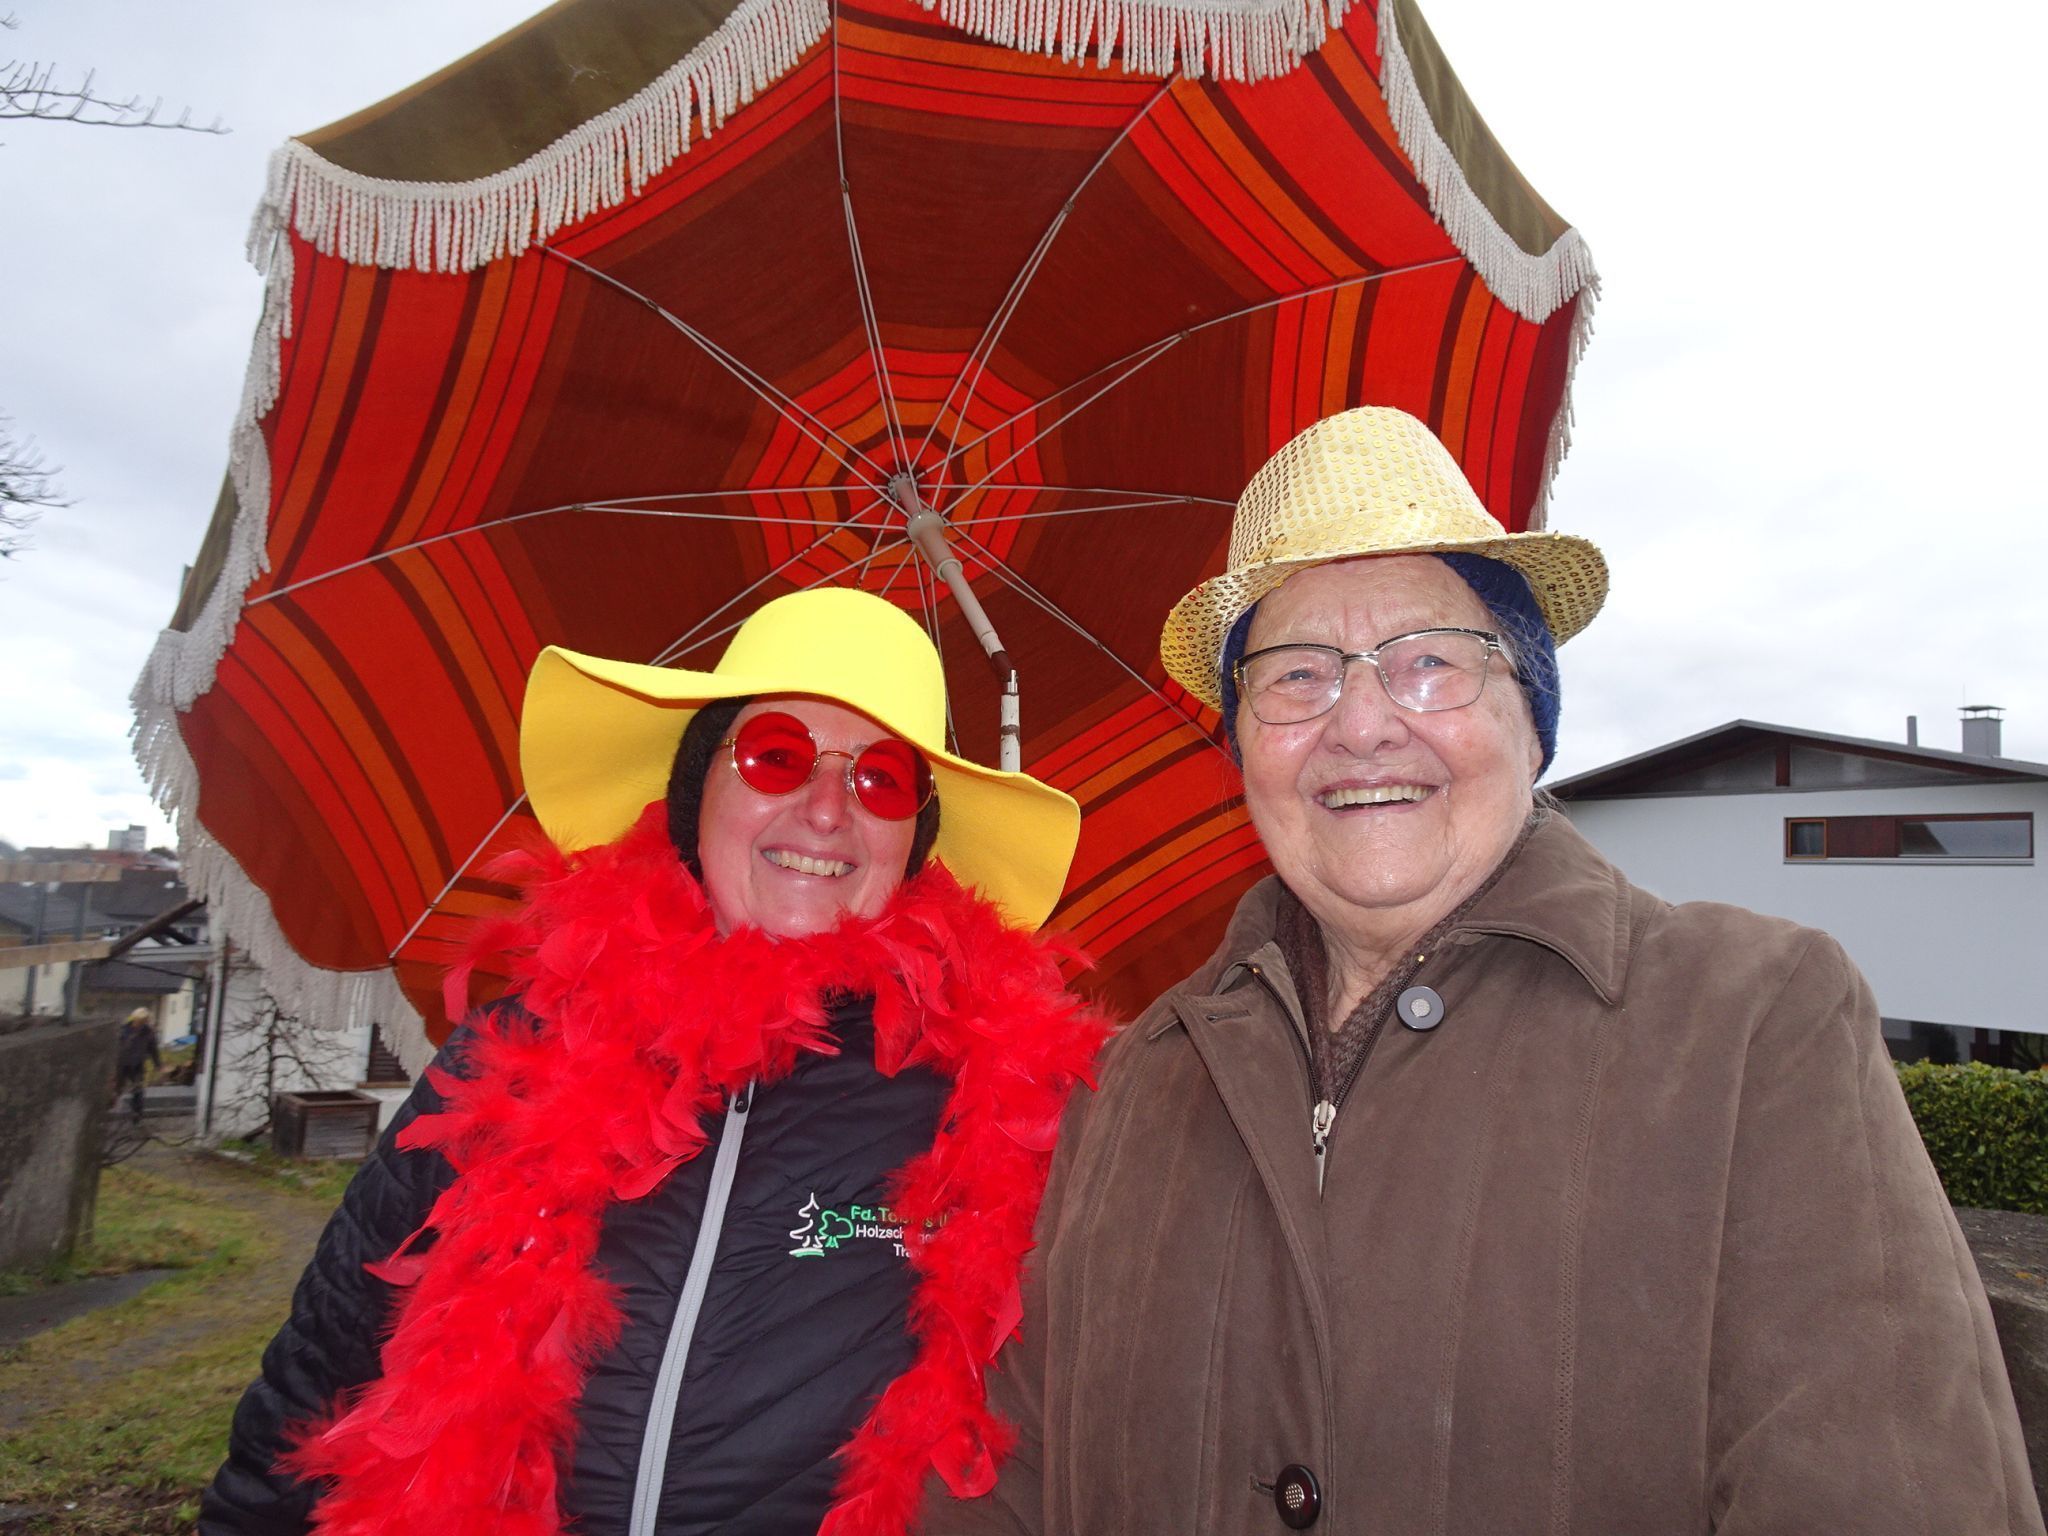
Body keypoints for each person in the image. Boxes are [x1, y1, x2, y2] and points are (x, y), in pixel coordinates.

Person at [924, 408, 2043, 1534]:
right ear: (1241, 745)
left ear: (1529, 718)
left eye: (1426, 665)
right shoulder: (1122, 1091)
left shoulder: (1754, 1024)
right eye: (1295, 675)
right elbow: (1006, 1486)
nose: (1359, 724)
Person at [201, 587, 1108, 1536]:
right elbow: (319, 1381)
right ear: (695, 790)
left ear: (913, 839)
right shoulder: (515, 1054)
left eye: (880, 780)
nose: (828, 810)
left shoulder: (999, 1111)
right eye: (778, 756)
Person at [114, 1006, 160, 1120]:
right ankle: (113, 1109)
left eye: (144, 1021)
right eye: (140, 1021)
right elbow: (116, 1047)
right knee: (117, 1087)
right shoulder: (124, 1030)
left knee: (138, 1090)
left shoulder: (148, 1033)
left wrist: (158, 1064)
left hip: (137, 1064)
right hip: (122, 1063)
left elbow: (153, 1049)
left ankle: (137, 1115)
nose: (141, 1023)